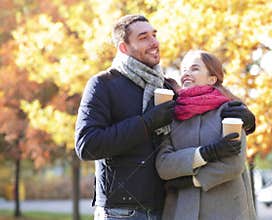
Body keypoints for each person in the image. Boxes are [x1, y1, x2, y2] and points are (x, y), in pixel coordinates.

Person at [75, 14, 256, 220]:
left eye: (154, 35)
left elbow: (203, 112)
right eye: (143, 37)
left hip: (166, 208)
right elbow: (87, 145)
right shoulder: (103, 84)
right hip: (122, 210)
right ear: (124, 48)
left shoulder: (167, 86)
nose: (154, 42)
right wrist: (147, 123)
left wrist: (248, 120)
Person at [155, 50, 257, 220]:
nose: (187, 73)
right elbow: (164, 165)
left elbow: (234, 164)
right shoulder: (171, 114)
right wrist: (205, 154)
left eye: (194, 68)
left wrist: (192, 181)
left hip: (227, 210)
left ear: (212, 78)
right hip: (181, 211)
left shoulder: (230, 110)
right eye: (184, 69)